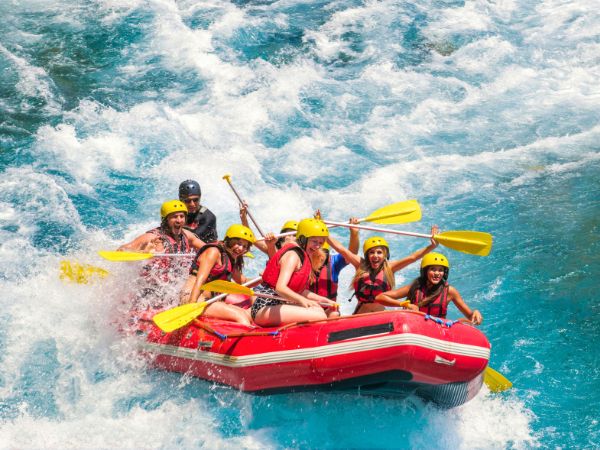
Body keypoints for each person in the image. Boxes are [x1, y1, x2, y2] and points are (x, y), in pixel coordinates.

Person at [327, 226, 439, 314]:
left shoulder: (390, 268)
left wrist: (432, 246)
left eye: (379, 252)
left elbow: (412, 258)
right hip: (360, 314)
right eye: (371, 252)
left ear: (385, 255)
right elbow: (341, 249)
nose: (375, 256)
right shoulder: (360, 264)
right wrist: (322, 230)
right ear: (367, 255)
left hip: (381, 315)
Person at [117, 200, 205, 308]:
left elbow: (208, 249)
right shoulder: (152, 237)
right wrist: (144, 252)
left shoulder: (187, 236)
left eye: (182, 216)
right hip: (149, 290)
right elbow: (121, 250)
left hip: (174, 287)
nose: (179, 220)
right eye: (174, 217)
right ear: (165, 219)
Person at [251, 218, 338, 327]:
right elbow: (280, 288)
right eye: (314, 241)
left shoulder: (303, 256)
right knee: (320, 316)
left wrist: (325, 300)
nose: (317, 246)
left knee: (319, 309)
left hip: (278, 304)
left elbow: (301, 291)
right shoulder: (293, 255)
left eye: (320, 243)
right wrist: (302, 301)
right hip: (264, 306)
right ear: (302, 239)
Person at [374, 253, 483, 325]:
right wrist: (405, 304)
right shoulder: (414, 288)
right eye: (433, 269)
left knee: (461, 322)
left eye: (440, 270)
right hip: (415, 328)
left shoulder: (450, 291)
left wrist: (475, 313)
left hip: (437, 330)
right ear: (425, 271)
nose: (437, 273)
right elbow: (380, 297)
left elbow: (470, 316)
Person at [179, 224, 256, 325]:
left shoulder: (229, 257)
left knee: (244, 314)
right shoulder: (213, 252)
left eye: (245, 246)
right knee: (240, 316)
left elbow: (243, 282)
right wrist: (191, 306)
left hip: (210, 301)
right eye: (238, 243)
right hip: (194, 298)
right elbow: (200, 280)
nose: (241, 248)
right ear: (229, 240)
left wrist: (264, 278)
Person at [308, 218, 360, 302]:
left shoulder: (333, 263)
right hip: (307, 308)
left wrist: (354, 234)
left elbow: (351, 254)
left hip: (329, 309)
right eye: (315, 251)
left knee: (334, 314)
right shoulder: (301, 260)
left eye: (324, 252)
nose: (320, 255)